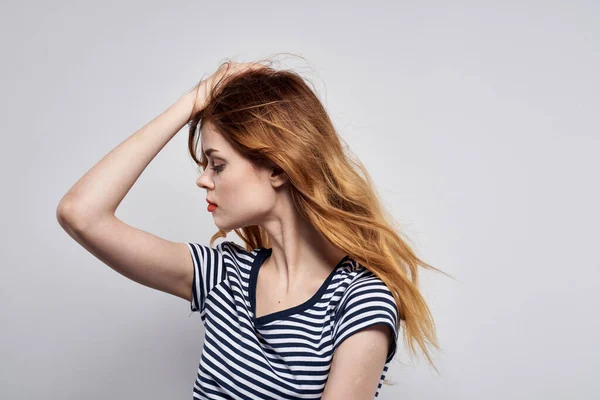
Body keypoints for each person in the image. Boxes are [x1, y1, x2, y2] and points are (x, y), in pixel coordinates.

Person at [57, 56, 449, 399]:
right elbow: (80, 213)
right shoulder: (222, 277)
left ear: (278, 166)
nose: (203, 180)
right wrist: (192, 102)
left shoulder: (358, 301)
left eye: (218, 164)